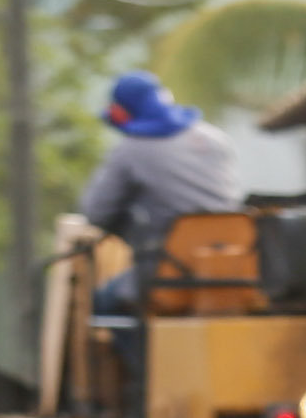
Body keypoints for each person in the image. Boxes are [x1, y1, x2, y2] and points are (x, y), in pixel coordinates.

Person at [78, 71, 242, 312]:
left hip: (169, 270)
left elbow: (96, 212)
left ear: (123, 110)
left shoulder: (131, 149)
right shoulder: (214, 139)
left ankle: (142, 350)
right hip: (233, 267)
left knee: (103, 304)